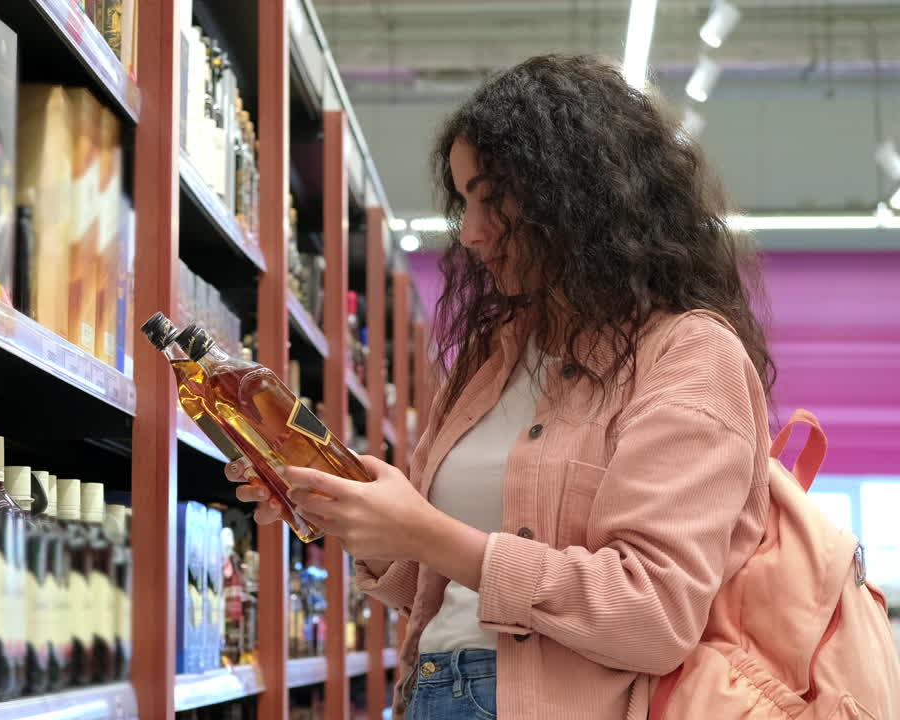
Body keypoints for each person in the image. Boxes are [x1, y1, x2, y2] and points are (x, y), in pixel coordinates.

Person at [227, 54, 776, 719]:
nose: (473, 232)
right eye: (464, 202)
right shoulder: (493, 360)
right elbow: (446, 584)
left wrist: (428, 533)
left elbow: (653, 613)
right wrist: (356, 515)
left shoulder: (689, 355)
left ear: (577, 194)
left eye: (494, 197)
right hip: (432, 692)